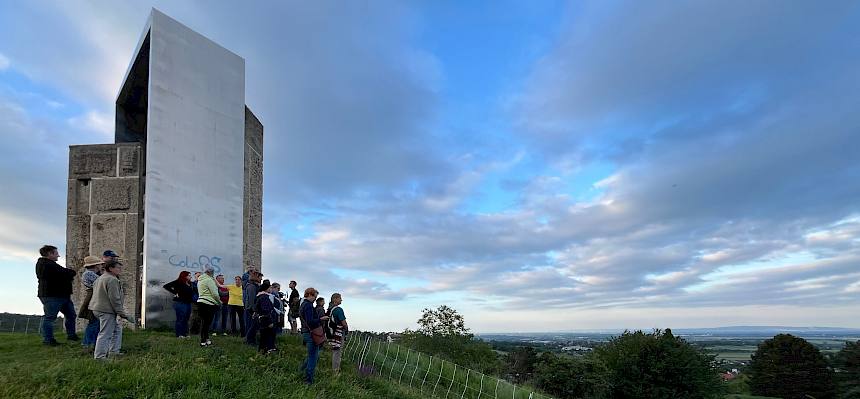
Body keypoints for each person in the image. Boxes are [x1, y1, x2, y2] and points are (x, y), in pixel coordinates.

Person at [35, 244, 79, 346]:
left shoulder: (50, 264)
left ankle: (71, 335)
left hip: (62, 295)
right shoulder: (46, 264)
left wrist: (68, 274)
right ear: (49, 254)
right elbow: (67, 273)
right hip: (52, 296)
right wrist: (69, 273)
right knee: (50, 317)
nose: (58, 256)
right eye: (56, 253)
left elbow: (64, 273)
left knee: (71, 315)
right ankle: (48, 340)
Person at [90, 261, 134, 359]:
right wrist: (122, 314)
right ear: (110, 268)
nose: (120, 270)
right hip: (106, 310)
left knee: (117, 329)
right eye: (118, 268)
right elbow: (115, 298)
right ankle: (100, 357)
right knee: (105, 333)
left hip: (97, 308)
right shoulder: (112, 280)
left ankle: (114, 351)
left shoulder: (100, 278)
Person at [299, 287, 329, 384]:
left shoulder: (303, 304)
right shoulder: (308, 306)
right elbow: (310, 321)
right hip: (311, 333)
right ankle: (308, 380)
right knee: (313, 357)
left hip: (306, 332)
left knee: (311, 355)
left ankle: (300, 371)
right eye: (315, 296)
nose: (315, 299)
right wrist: (321, 319)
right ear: (310, 294)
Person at [78, 255, 103, 348]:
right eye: (100, 264)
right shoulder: (89, 274)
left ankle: (90, 343)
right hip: (93, 296)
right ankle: (88, 343)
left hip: (94, 296)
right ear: (96, 265)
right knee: (94, 321)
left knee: (95, 321)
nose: (101, 266)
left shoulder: (90, 273)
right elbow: (102, 283)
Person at [162, 271, 194, 338]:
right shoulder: (178, 282)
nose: (191, 277)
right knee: (181, 318)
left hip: (188, 303)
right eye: (189, 275)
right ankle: (179, 334)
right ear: (184, 276)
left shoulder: (190, 283)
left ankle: (185, 334)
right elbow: (166, 286)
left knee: (186, 319)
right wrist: (175, 292)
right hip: (180, 303)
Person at [196, 265, 220, 347]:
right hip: (208, 303)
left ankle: (206, 339)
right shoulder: (209, 280)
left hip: (201, 302)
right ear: (210, 272)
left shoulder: (200, 280)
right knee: (206, 323)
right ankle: (203, 342)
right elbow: (215, 294)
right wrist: (219, 302)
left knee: (204, 323)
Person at [327, 293, 349, 374]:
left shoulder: (330, 309)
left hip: (333, 332)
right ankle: (335, 371)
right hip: (339, 333)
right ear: (335, 299)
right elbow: (343, 322)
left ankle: (334, 369)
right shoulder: (338, 310)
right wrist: (346, 329)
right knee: (338, 352)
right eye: (340, 298)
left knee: (335, 351)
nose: (341, 300)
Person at [255, 281, 276, 354]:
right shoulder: (264, 297)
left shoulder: (261, 296)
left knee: (264, 336)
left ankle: (262, 351)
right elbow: (266, 310)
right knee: (268, 335)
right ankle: (269, 350)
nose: (271, 289)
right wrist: (269, 321)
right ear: (266, 289)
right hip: (266, 319)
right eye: (270, 287)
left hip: (262, 319)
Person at [243, 270, 262, 345]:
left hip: (251, 309)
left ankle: (250, 340)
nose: (261, 279)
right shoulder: (251, 286)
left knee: (252, 326)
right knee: (251, 326)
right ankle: (249, 341)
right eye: (260, 277)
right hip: (251, 309)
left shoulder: (254, 285)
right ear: (255, 277)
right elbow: (251, 299)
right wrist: (254, 310)